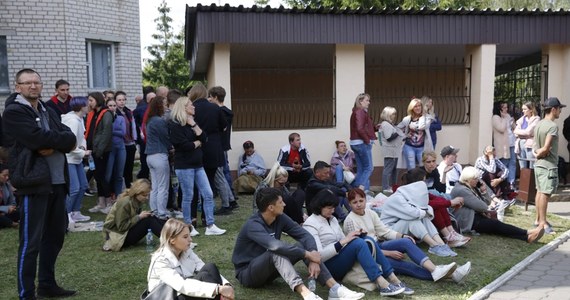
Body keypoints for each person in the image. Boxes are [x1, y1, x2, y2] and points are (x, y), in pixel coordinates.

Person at [4, 68, 77, 299]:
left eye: (36, 82)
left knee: (54, 237)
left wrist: (55, 144)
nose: (33, 86)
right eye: (27, 83)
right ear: (18, 87)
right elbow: (35, 138)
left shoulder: (47, 109)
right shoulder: (14, 112)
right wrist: (57, 141)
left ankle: (47, 284)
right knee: (31, 242)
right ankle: (27, 293)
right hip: (33, 183)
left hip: (57, 182)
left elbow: (70, 137)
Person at [232, 188, 364, 300]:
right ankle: (306, 293)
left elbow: (304, 235)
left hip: (269, 272)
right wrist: (307, 254)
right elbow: (275, 246)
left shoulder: (280, 217)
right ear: (271, 207)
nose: (284, 204)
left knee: (302, 245)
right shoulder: (253, 225)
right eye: (280, 202)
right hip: (248, 274)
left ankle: (335, 289)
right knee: (276, 251)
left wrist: (312, 255)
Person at [343, 188, 471, 283]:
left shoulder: (370, 213)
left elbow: (385, 231)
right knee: (407, 267)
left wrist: (403, 236)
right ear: (349, 204)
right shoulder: (350, 220)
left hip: (379, 245)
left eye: (361, 200)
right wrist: (388, 253)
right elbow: (362, 248)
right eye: (355, 202)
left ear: (366, 200)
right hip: (370, 256)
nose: (359, 204)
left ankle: (436, 270)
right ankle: (453, 274)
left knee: (406, 242)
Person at [304, 189, 410, 296]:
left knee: (367, 239)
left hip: (339, 258)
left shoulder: (332, 219)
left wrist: (355, 235)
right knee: (358, 243)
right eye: (329, 208)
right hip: (327, 267)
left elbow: (343, 241)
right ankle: (382, 283)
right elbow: (318, 256)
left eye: (334, 208)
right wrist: (343, 241)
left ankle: (393, 278)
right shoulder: (311, 224)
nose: (333, 211)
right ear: (319, 207)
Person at [168, 97, 226, 236]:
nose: (194, 107)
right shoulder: (175, 125)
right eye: (190, 105)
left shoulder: (192, 123)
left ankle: (210, 225)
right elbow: (183, 145)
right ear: (183, 108)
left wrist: (194, 126)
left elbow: (204, 138)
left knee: (208, 193)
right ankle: (188, 227)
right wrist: (197, 143)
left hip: (198, 164)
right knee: (188, 196)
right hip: (184, 166)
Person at [450, 167, 545, 243]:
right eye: (475, 179)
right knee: (496, 225)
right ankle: (528, 232)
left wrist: (483, 192)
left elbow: (486, 203)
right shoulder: (461, 190)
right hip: (468, 222)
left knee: (497, 227)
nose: (477, 181)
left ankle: (526, 237)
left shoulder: (470, 187)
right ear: (468, 179)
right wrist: (483, 196)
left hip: (475, 218)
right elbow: (483, 206)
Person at [147, 218, 235, 300]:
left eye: (189, 235)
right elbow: (181, 285)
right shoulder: (160, 260)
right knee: (204, 276)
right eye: (185, 237)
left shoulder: (186, 250)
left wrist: (225, 284)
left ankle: (222, 296)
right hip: (167, 296)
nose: (190, 240)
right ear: (172, 240)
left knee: (210, 267)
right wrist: (218, 289)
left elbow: (202, 266)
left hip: (182, 291)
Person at [380, 178, 457, 257]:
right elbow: (414, 214)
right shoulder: (397, 199)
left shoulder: (406, 196)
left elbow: (424, 211)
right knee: (413, 220)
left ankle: (441, 244)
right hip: (388, 232)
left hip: (397, 227)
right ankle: (433, 245)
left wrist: (424, 211)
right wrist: (425, 211)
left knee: (423, 218)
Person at [404, 168, 471, 248]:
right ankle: (448, 237)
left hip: (418, 216)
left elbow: (435, 197)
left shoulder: (417, 190)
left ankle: (451, 233)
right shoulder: (408, 193)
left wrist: (449, 202)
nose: (425, 183)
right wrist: (450, 203)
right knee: (434, 207)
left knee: (439, 204)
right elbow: (426, 204)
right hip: (410, 222)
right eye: (424, 181)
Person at [103, 179, 165, 251]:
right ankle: (169, 240)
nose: (147, 198)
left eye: (147, 195)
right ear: (137, 193)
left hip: (124, 234)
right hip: (118, 238)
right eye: (144, 195)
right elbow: (121, 227)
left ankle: (172, 235)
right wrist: (139, 217)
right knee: (149, 221)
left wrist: (142, 216)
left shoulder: (135, 200)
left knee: (151, 217)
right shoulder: (125, 203)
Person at [533, 97, 566, 235]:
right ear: (553, 109)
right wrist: (539, 154)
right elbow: (546, 148)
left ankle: (537, 220)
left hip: (539, 165)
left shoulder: (539, 123)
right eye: (559, 109)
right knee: (545, 194)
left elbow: (536, 146)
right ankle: (543, 223)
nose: (560, 111)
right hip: (548, 164)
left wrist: (536, 154)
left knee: (539, 192)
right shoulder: (552, 126)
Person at [61, 97, 91, 226]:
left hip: (77, 158)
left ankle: (76, 211)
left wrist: (83, 146)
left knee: (83, 185)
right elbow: (70, 143)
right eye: (86, 104)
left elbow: (82, 136)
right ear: (81, 107)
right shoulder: (72, 121)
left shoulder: (79, 119)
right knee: (74, 188)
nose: (89, 106)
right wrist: (83, 153)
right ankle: (66, 215)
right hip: (69, 159)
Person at [86, 91, 114, 214]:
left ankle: (109, 202)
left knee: (102, 176)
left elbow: (106, 133)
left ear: (97, 100)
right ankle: (101, 202)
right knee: (97, 176)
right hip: (92, 150)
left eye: (91, 100)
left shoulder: (106, 113)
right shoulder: (92, 113)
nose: (89, 103)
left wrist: (99, 150)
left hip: (101, 151)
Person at [209, 86, 238, 202]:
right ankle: (230, 194)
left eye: (211, 97)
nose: (209, 99)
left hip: (220, 145)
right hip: (224, 144)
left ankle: (229, 197)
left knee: (223, 172)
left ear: (215, 97)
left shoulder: (220, 112)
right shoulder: (227, 111)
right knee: (225, 170)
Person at [145, 96, 172, 220]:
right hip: (159, 155)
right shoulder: (159, 121)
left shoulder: (150, 120)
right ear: (159, 106)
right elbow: (165, 137)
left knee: (155, 186)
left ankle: (154, 210)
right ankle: (161, 212)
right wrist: (171, 147)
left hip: (150, 155)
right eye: (164, 104)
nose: (166, 106)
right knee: (163, 186)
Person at [349, 93, 377, 191]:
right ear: (360, 101)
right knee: (369, 168)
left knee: (361, 169)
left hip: (355, 143)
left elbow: (364, 127)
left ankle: (355, 191)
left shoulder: (357, 112)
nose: (369, 102)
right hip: (361, 143)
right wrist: (367, 140)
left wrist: (375, 128)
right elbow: (360, 128)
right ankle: (361, 190)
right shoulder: (360, 111)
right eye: (367, 100)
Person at [398, 98, 434, 170]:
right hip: (409, 146)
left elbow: (422, 126)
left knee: (423, 167)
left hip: (422, 147)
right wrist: (405, 136)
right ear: (412, 108)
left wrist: (423, 115)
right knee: (411, 167)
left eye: (419, 106)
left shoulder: (426, 118)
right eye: (415, 106)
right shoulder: (407, 119)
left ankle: (422, 181)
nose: (418, 108)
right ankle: (411, 181)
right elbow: (398, 128)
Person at [378, 106, 404, 193]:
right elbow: (389, 137)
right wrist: (398, 132)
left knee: (394, 170)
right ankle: (386, 187)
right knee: (388, 169)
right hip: (390, 151)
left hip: (394, 151)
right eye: (393, 114)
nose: (394, 116)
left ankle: (393, 186)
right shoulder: (386, 124)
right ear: (388, 114)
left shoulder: (388, 124)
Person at [115, 91, 138, 189]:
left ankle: (129, 186)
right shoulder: (114, 113)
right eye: (119, 100)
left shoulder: (128, 112)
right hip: (121, 143)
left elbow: (133, 127)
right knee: (121, 168)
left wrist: (135, 140)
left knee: (129, 167)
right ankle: (121, 188)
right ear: (115, 101)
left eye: (123, 100)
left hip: (130, 143)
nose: (122, 102)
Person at [105, 98, 127, 198]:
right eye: (110, 105)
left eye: (114, 105)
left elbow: (123, 133)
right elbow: (104, 132)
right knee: (108, 174)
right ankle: (108, 195)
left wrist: (111, 131)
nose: (112, 108)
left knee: (119, 174)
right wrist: (114, 131)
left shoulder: (120, 118)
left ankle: (118, 195)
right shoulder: (105, 118)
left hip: (121, 147)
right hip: (109, 148)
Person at [492, 102, 516, 189]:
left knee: (513, 163)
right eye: (504, 108)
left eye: (507, 107)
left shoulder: (508, 116)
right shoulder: (496, 118)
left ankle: (511, 183)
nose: (506, 109)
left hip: (512, 142)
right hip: (503, 145)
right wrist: (505, 119)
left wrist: (512, 122)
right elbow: (501, 128)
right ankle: (504, 183)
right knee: (504, 163)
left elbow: (514, 127)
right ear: (499, 109)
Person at [514, 101, 540, 169]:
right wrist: (524, 133)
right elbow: (515, 131)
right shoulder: (521, 119)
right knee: (522, 167)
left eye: (525, 109)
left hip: (530, 144)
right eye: (522, 109)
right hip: (520, 144)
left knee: (532, 165)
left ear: (531, 110)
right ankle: (524, 179)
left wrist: (521, 133)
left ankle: (532, 179)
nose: (523, 111)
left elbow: (528, 132)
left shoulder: (536, 119)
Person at [0, 163, 19, 229]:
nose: (7, 178)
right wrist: (5, 209)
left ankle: (6, 222)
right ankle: (11, 223)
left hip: (4, 212)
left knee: (19, 212)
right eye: (4, 175)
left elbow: (12, 201)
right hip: (3, 211)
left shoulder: (7, 185)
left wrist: (11, 207)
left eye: (8, 175)